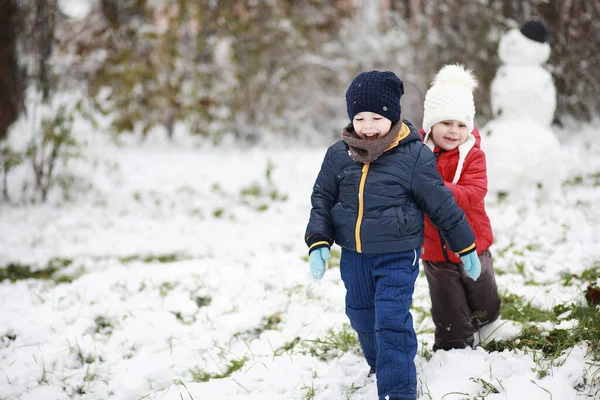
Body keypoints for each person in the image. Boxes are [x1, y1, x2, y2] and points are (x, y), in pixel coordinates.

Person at [304, 70, 481, 400]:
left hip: (397, 255)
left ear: (393, 116)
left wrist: (465, 245)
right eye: (360, 117)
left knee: (390, 319)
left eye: (377, 117)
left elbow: (440, 203)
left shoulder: (413, 156)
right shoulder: (338, 154)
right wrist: (318, 241)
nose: (368, 125)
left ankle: (397, 389)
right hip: (354, 256)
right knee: (360, 313)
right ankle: (380, 363)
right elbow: (322, 198)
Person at [420, 64, 501, 351]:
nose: (453, 131)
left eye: (461, 124)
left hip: (473, 241)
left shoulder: (473, 156)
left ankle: (487, 321)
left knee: (483, 298)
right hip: (434, 249)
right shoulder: (418, 155)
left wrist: (438, 191)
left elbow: (475, 191)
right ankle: (453, 348)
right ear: (430, 124)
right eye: (446, 123)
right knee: (448, 308)